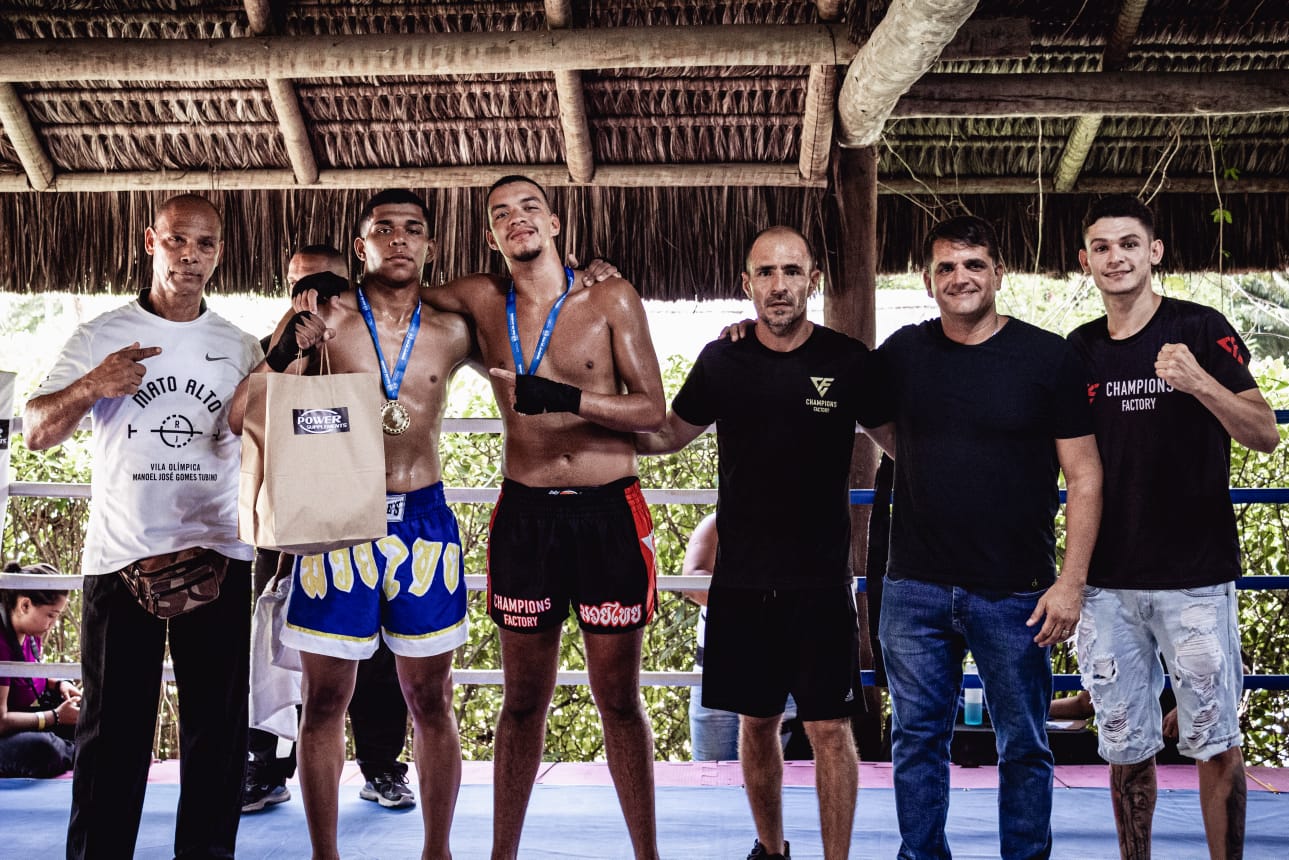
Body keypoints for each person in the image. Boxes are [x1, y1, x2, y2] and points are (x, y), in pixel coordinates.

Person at [419, 174, 666, 860]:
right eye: (501, 214)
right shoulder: (477, 300)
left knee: (618, 701)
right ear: (491, 236)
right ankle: (503, 855)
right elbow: (393, 290)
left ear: (555, 223)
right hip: (524, 515)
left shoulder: (609, 296)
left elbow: (651, 411)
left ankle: (647, 855)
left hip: (607, 512)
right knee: (521, 703)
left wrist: (561, 396)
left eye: (529, 207)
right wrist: (318, 283)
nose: (516, 219)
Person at [230, 189, 471, 860]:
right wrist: (289, 352)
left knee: (431, 698)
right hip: (340, 519)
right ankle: (324, 855)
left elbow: (538, 334)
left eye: (412, 229)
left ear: (429, 245)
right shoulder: (323, 320)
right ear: (359, 246)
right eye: (382, 230)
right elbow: (237, 418)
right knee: (326, 698)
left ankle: (437, 851)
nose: (398, 239)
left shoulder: (453, 326)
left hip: (423, 519)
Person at [24, 193, 261, 859]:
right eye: (179, 240)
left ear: (219, 253)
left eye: (206, 244)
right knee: (112, 735)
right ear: (150, 241)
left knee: (217, 737)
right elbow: (38, 431)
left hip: (216, 553)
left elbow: (270, 433)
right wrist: (91, 384)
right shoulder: (102, 334)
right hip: (120, 559)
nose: (191, 255)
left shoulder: (239, 346)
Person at [636, 225, 881, 860]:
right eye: (766, 273)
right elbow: (665, 437)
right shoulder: (723, 360)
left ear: (812, 280)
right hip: (742, 581)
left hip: (823, 581)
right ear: (747, 284)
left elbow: (909, 444)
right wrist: (575, 411)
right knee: (756, 723)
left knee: (830, 729)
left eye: (791, 271)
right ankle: (771, 849)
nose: (779, 285)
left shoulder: (847, 360)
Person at [867, 215, 1102, 860]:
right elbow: (865, 411)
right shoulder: (903, 353)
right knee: (916, 739)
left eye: (973, 265)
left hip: (1016, 590)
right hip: (914, 586)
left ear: (998, 274)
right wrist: (742, 332)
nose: (960, 277)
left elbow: (1083, 477)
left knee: (1025, 743)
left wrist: (1071, 581)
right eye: (946, 267)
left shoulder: (1047, 357)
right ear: (927, 280)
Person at [1069, 194, 1279, 859]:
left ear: (1153, 252)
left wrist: (1199, 384)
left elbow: (1263, 434)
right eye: (1101, 247)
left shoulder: (1198, 325)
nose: (1115, 257)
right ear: (1085, 261)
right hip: (1106, 582)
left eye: (1128, 243)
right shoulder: (1079, 351)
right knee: (1125, 744)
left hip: (1193, 575)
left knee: (1214, 739)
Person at [242, 245, 416, 814]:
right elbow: (247, 410)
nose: (312, 292)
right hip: (291, 513)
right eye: (300, 283)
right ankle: (266, 766)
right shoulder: (273, 341)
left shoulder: (372, 337)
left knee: (378, 649)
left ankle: (383, 766)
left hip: (362, 509)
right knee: (276, 637)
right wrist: (291, 338)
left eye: (326, 282)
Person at [683, 512, 803, 762]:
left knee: (775, 776)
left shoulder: (797, 522)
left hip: (781, 669)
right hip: (717, 669)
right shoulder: (716, 522)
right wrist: (759, 595)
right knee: (712, 777)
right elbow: (693, 584)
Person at [0, 561, 79, 778]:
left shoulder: (31, 635)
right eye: (51, 615)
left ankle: (102, 747)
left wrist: (61, 684)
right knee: (43, 749)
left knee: (82, 712)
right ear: (25, 605)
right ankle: (92, 754)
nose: (52, 623)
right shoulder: (1, 642)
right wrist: (55, 716)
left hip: (18, 721)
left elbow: (29, 678)